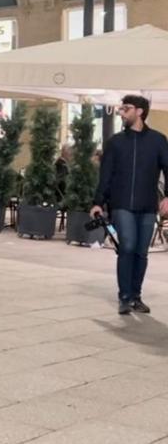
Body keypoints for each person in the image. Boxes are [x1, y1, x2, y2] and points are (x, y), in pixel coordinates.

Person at [91, 95, 168, 315]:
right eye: (121, 108)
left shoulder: (158, 140)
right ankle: (124, 297)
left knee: (141, 253)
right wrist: (98, 203)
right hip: (121, 203)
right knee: (127, 246)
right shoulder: (115, 142)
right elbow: (105, 175)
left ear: (140, 111)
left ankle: (136, 296)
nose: (122, 113)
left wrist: (167, 197)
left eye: (126, 108)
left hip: (147, 205)